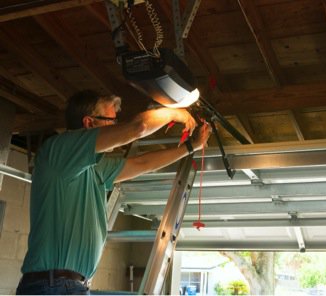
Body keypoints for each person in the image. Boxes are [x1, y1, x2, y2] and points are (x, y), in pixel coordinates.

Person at [16, 89, 211, 295]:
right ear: (89, 123)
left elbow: (142, 163)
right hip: (52, 286)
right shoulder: (58, 152)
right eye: (110, 120)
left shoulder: (95, 167)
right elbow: (138, 127)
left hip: (67, 285)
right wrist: (175, 113)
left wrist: (190, 147)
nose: (115, 127)